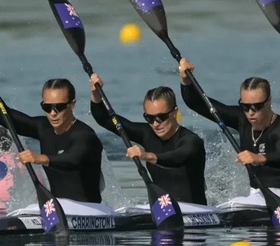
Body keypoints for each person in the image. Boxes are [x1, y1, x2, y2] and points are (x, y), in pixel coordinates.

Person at [89, 73, 207, 205]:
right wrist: (96, 94)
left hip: (195, 209)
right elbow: (104, 118)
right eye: (149, 118)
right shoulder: (147, 134)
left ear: (174, 112)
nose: (155, 124)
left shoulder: (192, 141)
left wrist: (146, 155)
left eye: (161, 117)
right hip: (163, 208)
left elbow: (176, 158)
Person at [179, 58, 280, 206]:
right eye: (245, 106)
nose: (250, 112)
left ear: (269, 101)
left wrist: (259, 158)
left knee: (234, 205)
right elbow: (196, 103)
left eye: (257, 106)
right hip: (256, 195)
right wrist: (185, 80)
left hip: (277, 195)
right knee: (230, 205)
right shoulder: (242, 120)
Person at [0, 79, 104, 203]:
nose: (53, 113)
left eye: (59, 107)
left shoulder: (85, 135)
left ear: (72, 104)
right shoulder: (43, 128)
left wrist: (40, 158)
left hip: (91, 210)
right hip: (58, 209)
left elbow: (73, 160)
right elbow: (6, 116)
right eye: (47, 107)